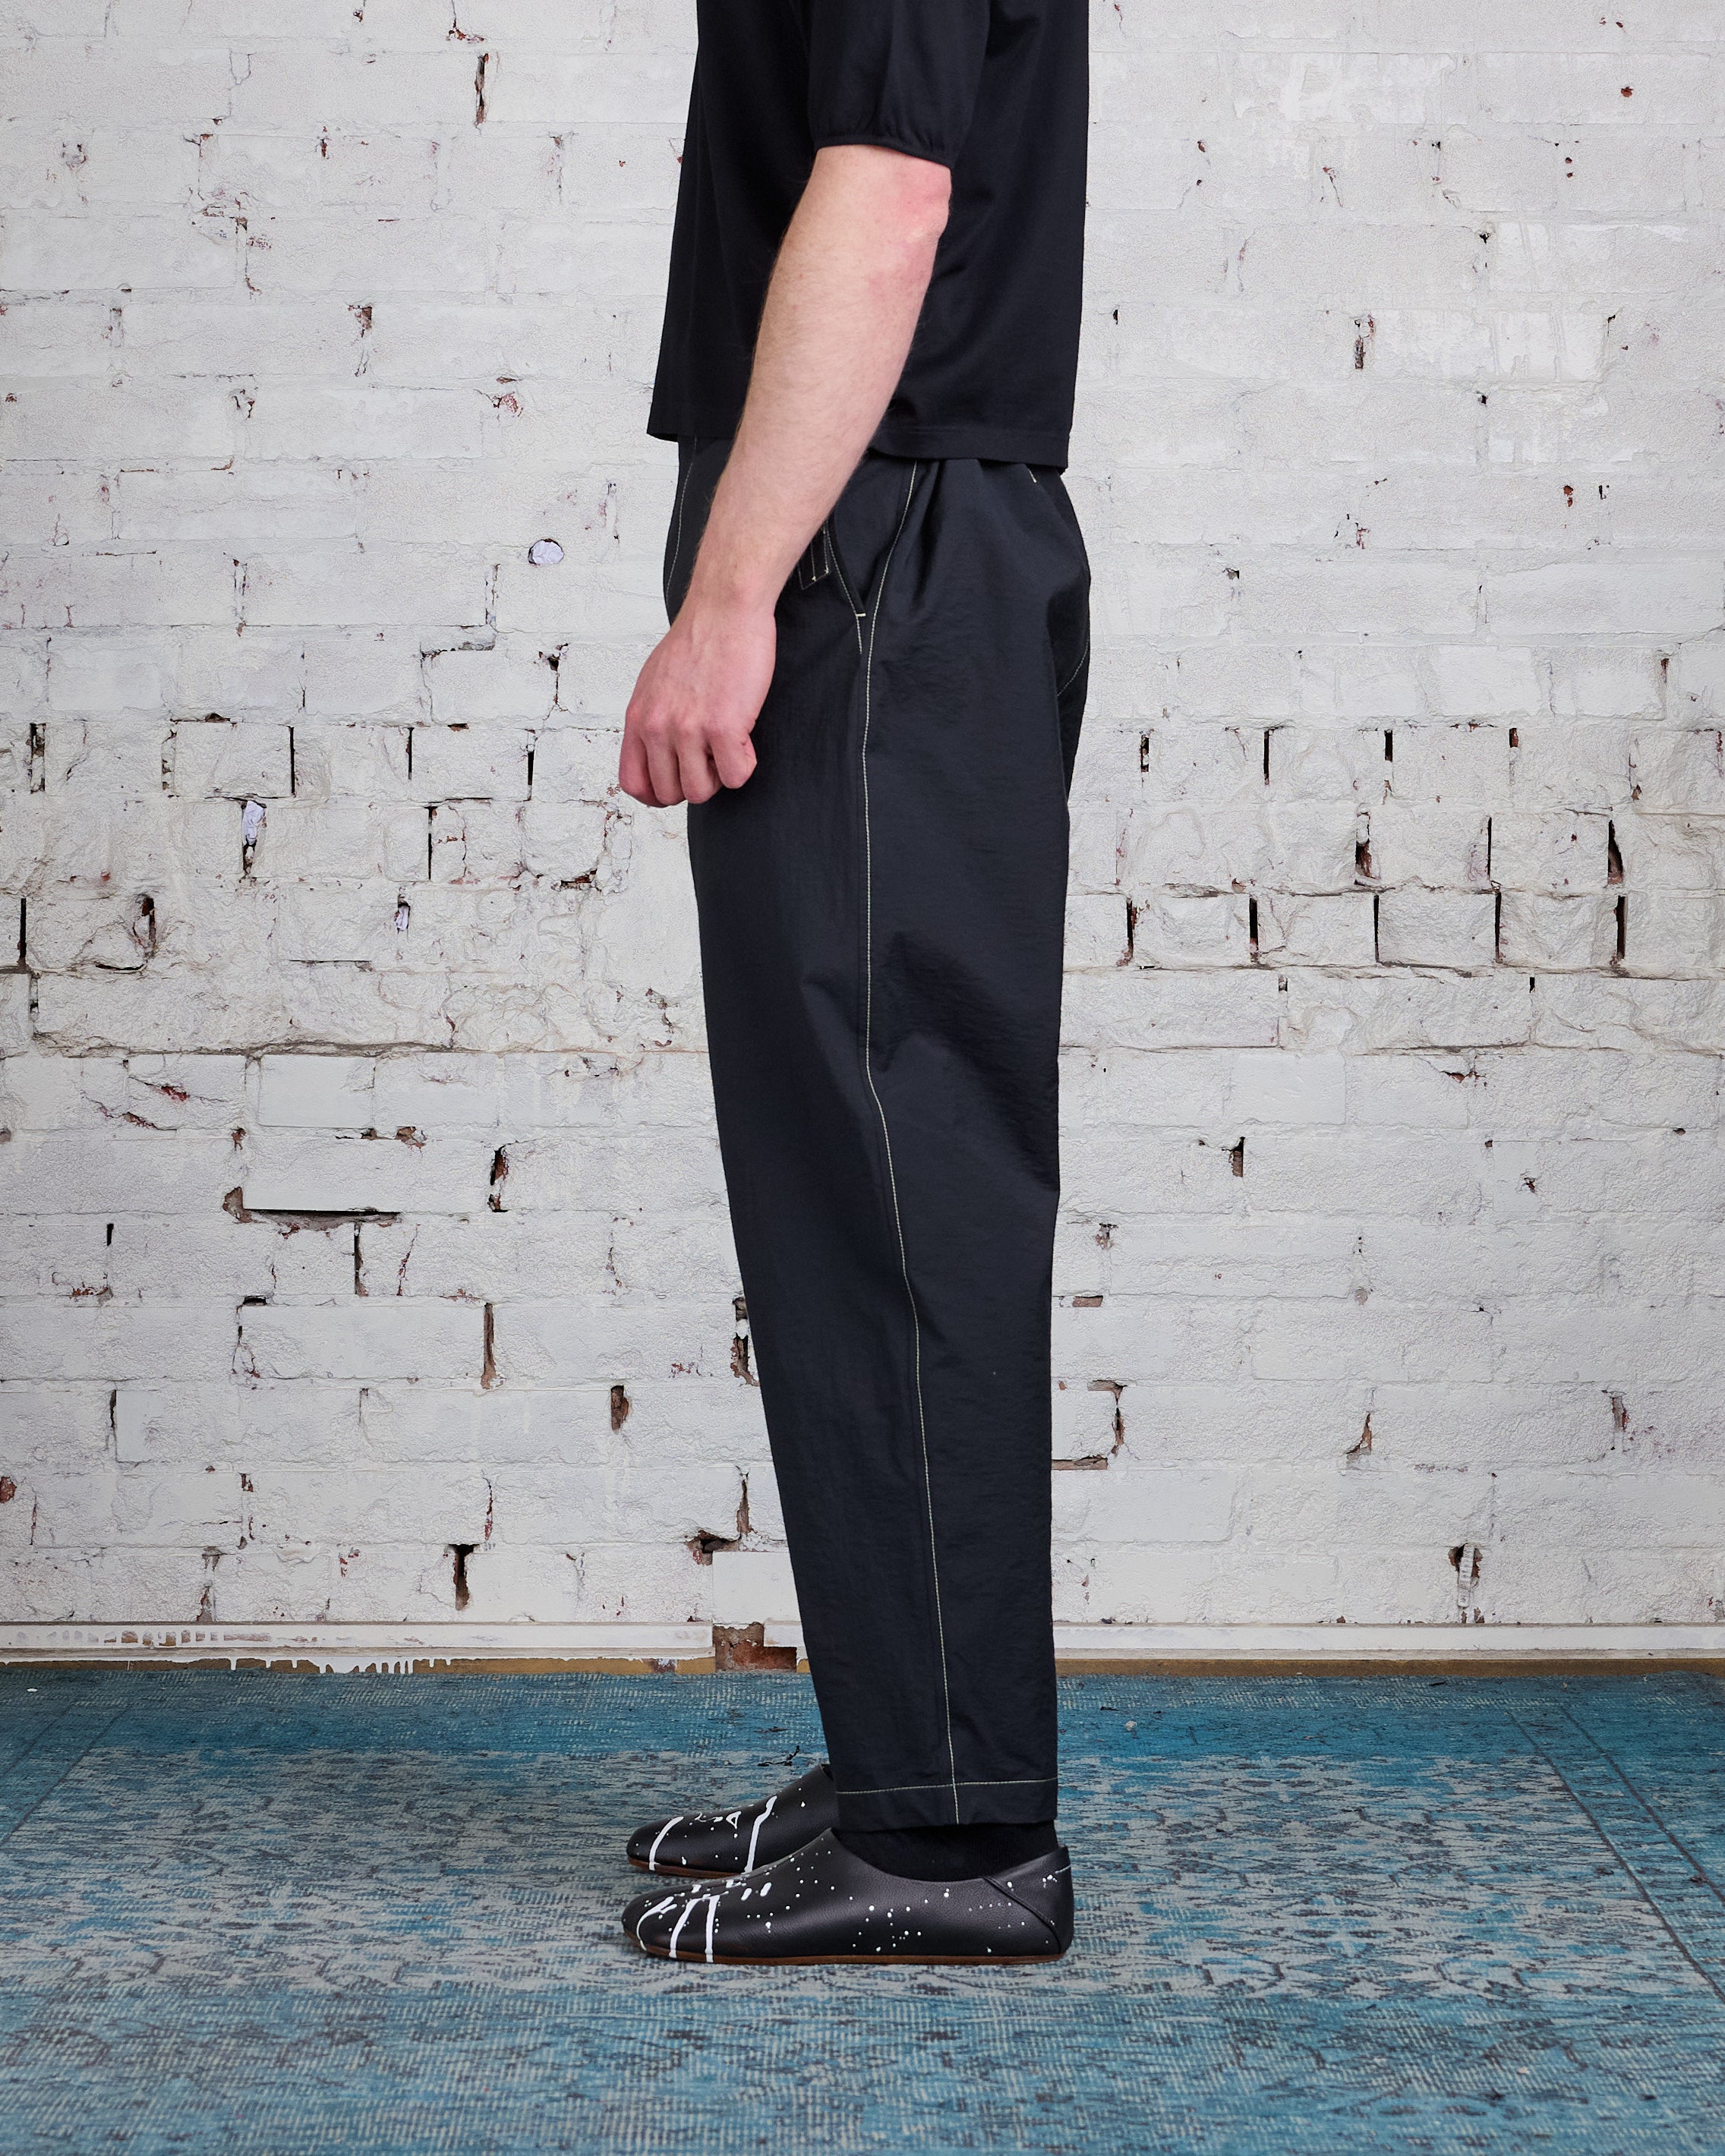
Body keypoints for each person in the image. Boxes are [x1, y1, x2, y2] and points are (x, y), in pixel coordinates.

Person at [616, 0, 1090, 1967]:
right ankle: (913, 1752)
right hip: (879, 522)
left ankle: (955, 1830)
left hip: (870, 541)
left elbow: (892, 194)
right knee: (859, 1188)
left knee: (897, 1190)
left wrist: (733, 597)